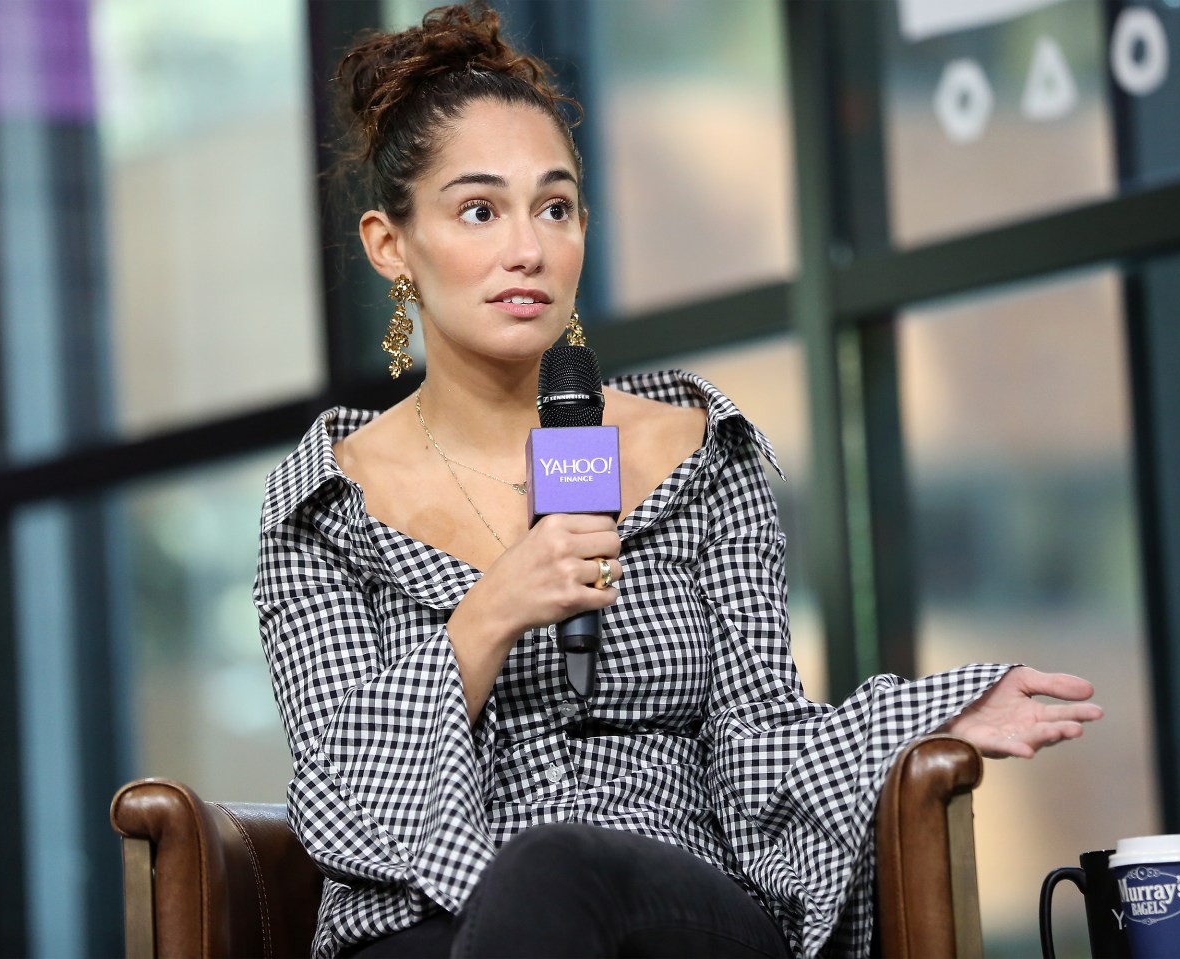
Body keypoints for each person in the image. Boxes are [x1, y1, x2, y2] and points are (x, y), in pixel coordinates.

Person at [253, 5, 1103, 957]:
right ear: (391, 244)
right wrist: (488, 615)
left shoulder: (702, 452)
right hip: (424, 916)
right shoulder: (324, 505)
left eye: (557, 206)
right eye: (480, 210)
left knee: (553, 866)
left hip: (668, 905)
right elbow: (341, 790)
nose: (527, 248)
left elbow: (760, 741)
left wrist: (936, 707)